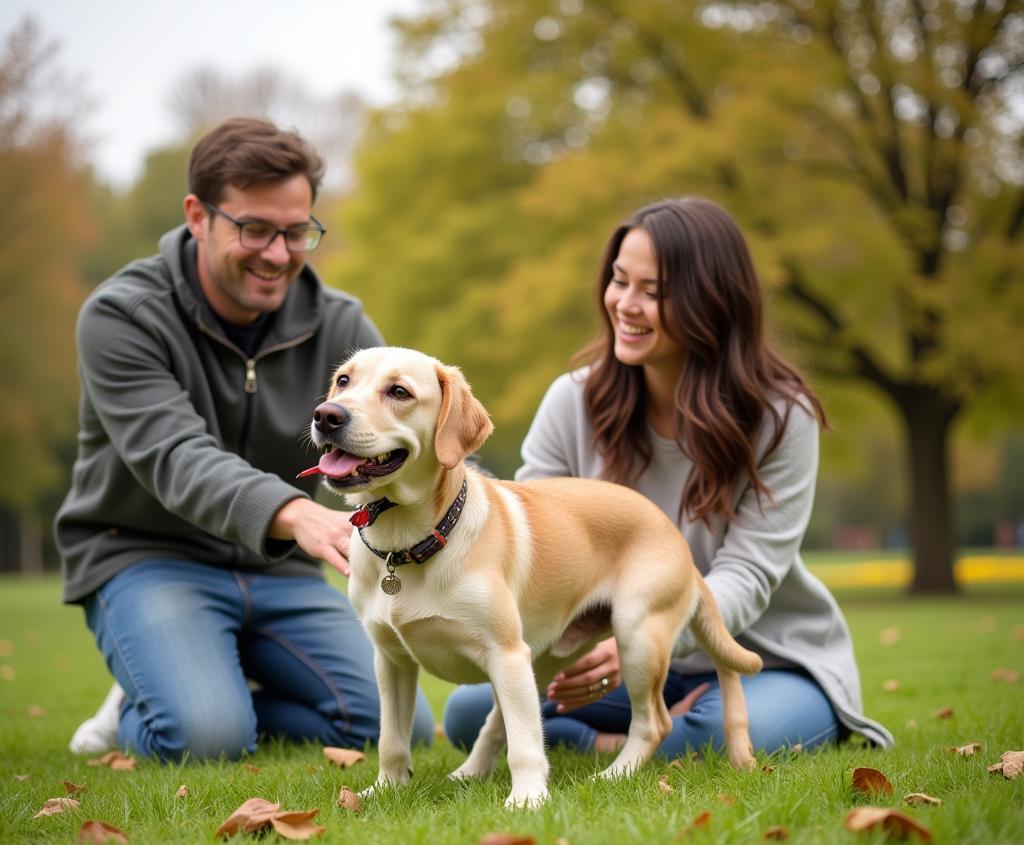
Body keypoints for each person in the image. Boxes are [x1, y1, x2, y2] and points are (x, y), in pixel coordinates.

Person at [443, 197, 893, 757]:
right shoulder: (572, 401)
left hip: (762, 656)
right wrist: (591, 646)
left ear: (713, 300)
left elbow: (750, 571)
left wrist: (646, 633)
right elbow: (538, 549)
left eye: (653, 292)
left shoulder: (780, 416)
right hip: (606, 645)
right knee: (466, 713)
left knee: (726, 735)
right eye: (619, 281)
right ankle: (634, 734)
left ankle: (644, 733)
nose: (625, 305)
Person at [58, 117, 433, 760]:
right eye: (255, 229)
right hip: (147, 557)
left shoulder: (340, 321)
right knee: (205, 738)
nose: (279, 254)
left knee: (400, 728)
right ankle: (156, 699)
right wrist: (296, 514)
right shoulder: (123, 316)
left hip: (279, 570)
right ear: (197, 216)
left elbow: (398, 431)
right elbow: (174, 455)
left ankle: (197, 683)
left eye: (297, 232)